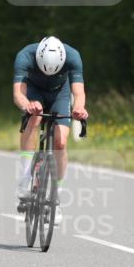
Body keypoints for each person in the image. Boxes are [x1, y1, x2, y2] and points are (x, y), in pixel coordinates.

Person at [12, 36, 89, 223]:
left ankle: (56, 196)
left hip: (59, 94)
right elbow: (18, 94)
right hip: (34, 92)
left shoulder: (73, 56)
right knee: (34, 118)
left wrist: (79, 108)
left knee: (60, 143)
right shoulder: (25, 55)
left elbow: (78, 93)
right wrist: (27, 105)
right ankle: (24, 179)